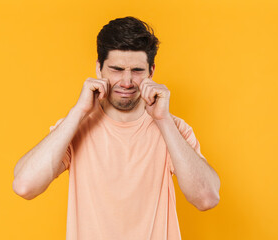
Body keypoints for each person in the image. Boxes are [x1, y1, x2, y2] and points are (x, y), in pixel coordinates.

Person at [13, 16, 220, 240]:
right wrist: (79, 112)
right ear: (99, 68)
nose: (127, 81)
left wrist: (163, 120)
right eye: (117, 69)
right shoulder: (75, 126)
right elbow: (25, 185)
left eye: (137, 71)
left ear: (151, 71)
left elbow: (206, 198)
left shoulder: (173, 127)